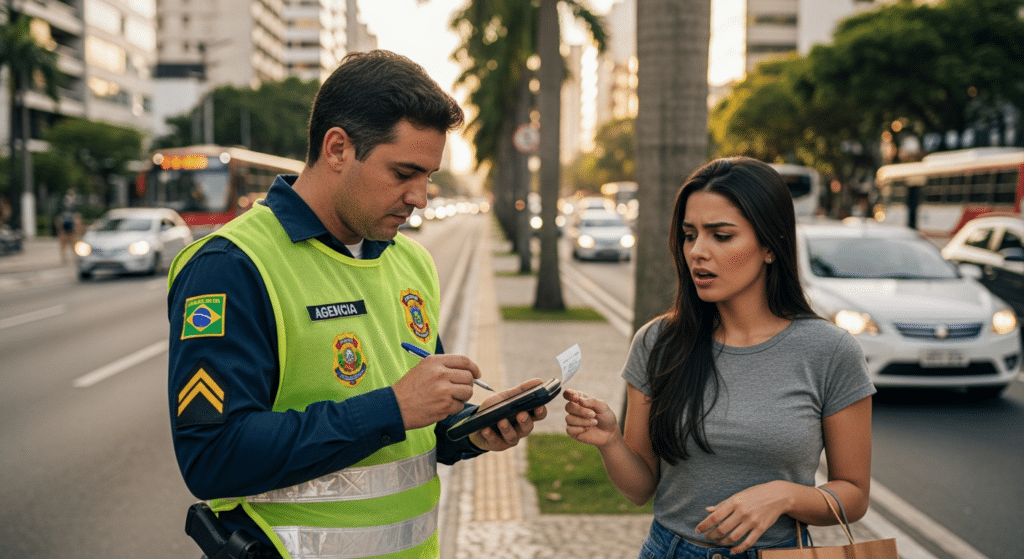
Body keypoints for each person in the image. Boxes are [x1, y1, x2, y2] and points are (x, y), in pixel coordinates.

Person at [167, 50, 548, 559]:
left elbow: (413, 427)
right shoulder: (231, 266)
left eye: (428, 177)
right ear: (338, 148)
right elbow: (212, 457)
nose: (421, 198)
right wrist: (392, 407)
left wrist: (470, 431)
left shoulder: (410, 262)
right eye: (404, 173)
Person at [563, 157, 875, 559]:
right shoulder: (657, 342)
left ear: (769, 245)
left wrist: (785, 497)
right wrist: (608, 441)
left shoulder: (830, 351)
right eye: (690, 235)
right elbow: (640, 489)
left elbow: (854, 494)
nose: (697, 251)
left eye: (721, 236)